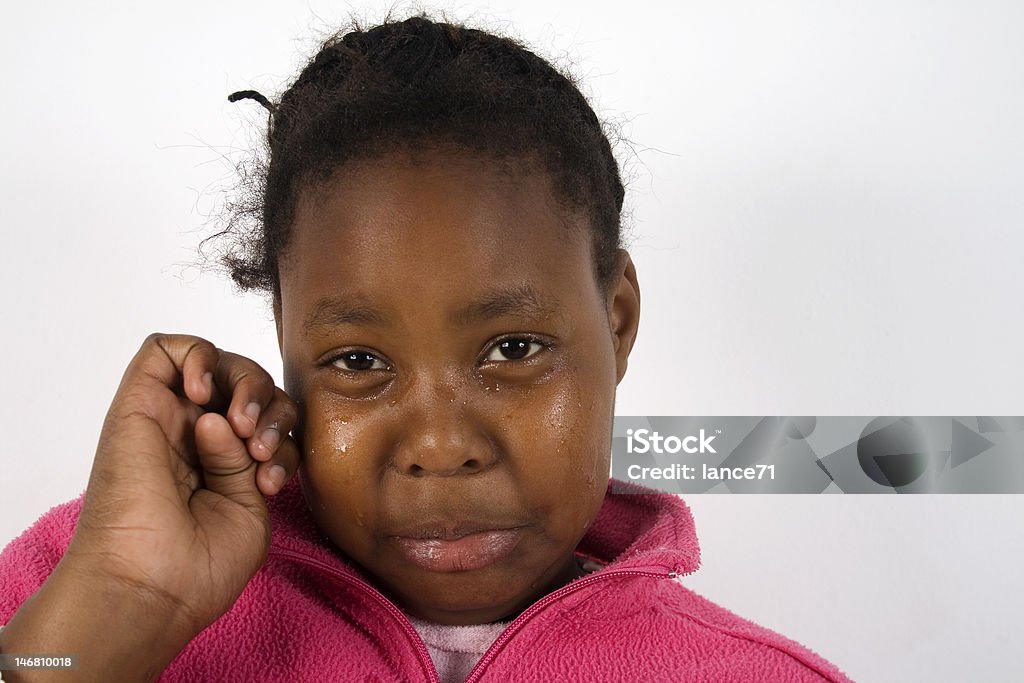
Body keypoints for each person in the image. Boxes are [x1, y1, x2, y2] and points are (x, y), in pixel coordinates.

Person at [0, 15, 851, 682]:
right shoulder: (77, 582)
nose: (442, 446)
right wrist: (112, 612)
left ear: (618, 319)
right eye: (358, 362)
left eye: (513, 347)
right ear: (284, 345)